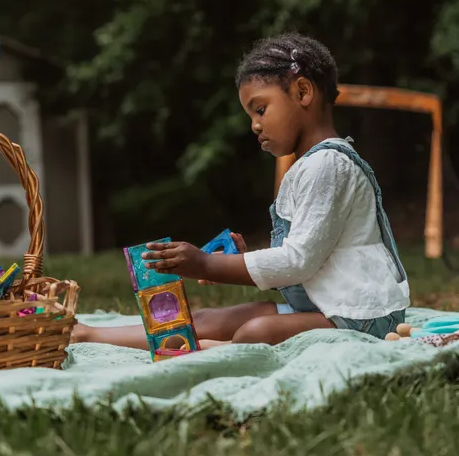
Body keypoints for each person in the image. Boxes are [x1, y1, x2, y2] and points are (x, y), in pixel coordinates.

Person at [73, 33, 409, 349]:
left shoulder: (328, 165)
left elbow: (299, 262)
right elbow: (312, 256)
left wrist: (206, 264)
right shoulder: (311, 166)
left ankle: (220, 350)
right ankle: (90, 334)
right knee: (218, 317)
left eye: (260, 109)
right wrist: (238, 261)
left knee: (256, 330)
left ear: (303, 92)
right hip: (329, 305)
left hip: (362, 316)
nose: (255, 125)